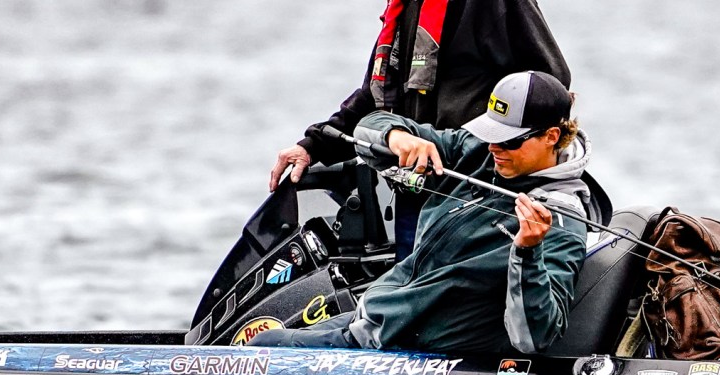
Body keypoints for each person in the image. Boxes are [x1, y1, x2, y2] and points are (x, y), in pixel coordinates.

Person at [250, 70, 600, 355]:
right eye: (491, 132)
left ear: (551, 136)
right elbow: (369, 124)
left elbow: (535, 338)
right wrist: (396, 137)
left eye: (509, 140)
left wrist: (527, 252)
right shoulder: (479, 153)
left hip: (407, 349)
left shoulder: (562, 223)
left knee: (261, 348)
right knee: (250, 340)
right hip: (381, 318)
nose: (494, 147)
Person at [269, 0, 572, 262]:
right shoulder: (407, 4)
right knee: (403, 295)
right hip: (416, 192)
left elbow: (549, 86)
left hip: (474, 202)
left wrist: (481, 153)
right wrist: (313, 145)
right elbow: (376, 94)